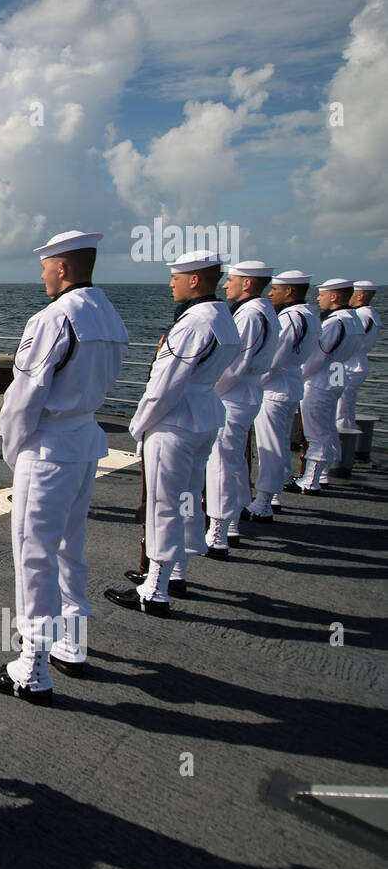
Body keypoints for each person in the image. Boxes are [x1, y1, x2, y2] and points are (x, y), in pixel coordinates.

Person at [0, 231, 128, 700]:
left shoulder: (53, 318)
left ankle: (32, 668)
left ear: (63, 267)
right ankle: (71, 646)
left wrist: (15, 450)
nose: (41, 274)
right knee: (69, 549)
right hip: (85, 441)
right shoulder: (108, 314)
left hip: (49, 447)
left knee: (33, 557)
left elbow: (23, 397)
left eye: (45, 266)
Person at [104, 250, 240, 615]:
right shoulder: (224, 317)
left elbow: (163, 384)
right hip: (205, 418)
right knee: (186, 501)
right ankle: (176, 572)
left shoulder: (193, 323)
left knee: (163, 506)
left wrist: (139, 424)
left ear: (194, 280)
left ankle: (155, 590)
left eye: (175, 277)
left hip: (174, 422)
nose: (170, 284)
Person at [205, 261, 280, 555]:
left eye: (232, 280)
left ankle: (218, 532)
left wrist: (208, 392)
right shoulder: (266, 311)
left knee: (221, 463)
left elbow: (233, 365)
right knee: (234, 462)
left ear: (247, 283)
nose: (226, 284)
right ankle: (232, 524)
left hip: (232, 396)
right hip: (247, 392)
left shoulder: (249, 315)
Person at [245, 271, 322, 521]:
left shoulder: (290, 318)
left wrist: (253, 383)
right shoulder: (310, 315)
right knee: (277, 445)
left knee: (270, 447)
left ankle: (265, 500)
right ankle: (273, 495)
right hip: (290, 385)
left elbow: (273, 360)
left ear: (289, 291)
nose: (270, 293)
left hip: (275, 388)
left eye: (275, 289)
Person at [294, 279, 362, 493]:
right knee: (327, 427)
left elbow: (316, 357)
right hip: (337, 374)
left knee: (316, 432)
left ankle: (311, 480)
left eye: (322, 294)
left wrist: (300, 375)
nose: (318, 298)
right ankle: (320, 474)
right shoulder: (353, 319)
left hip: (320, 379)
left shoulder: (334, 322)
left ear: (333, 297)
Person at [336, 280, 380, 434]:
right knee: (345, 405)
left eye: (352, 293)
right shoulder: (369, 314)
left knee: (340, 408)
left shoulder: (361, 315)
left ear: (360, 296)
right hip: (352, 364)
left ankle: (343, 440)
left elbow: (352, 341)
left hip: (350, 365)